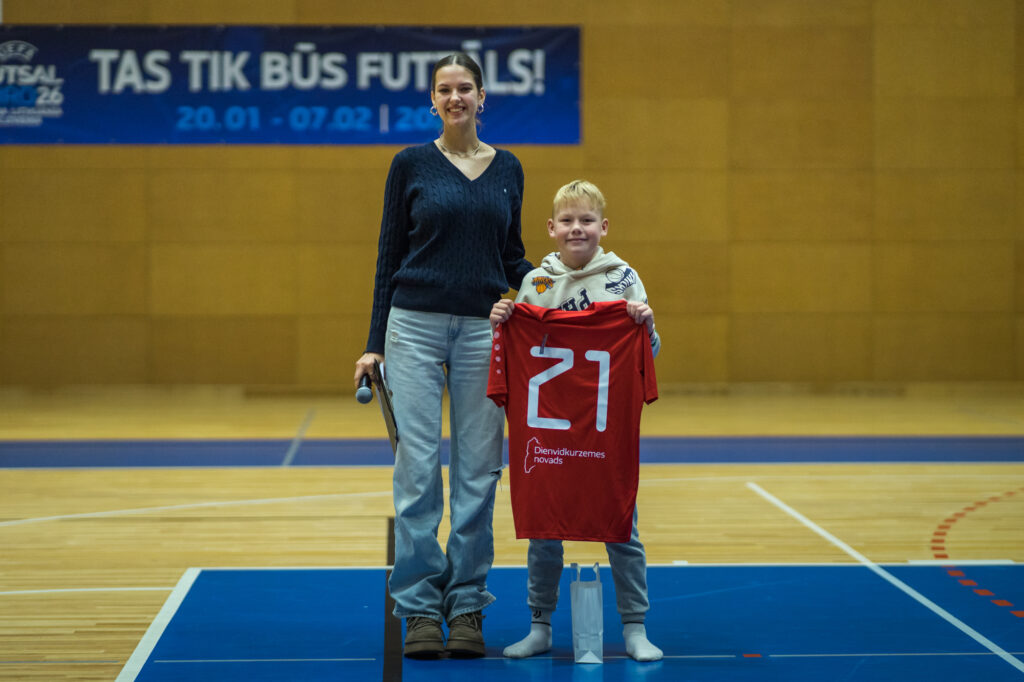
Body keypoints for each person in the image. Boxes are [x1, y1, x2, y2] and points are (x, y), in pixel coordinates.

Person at [354, 52, 533, 659]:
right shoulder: (410, 164)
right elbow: (388, 256)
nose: (455, 97)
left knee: (479, 475)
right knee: (418, 472)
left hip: (486, 330)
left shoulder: (509, 168)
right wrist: (373, 342)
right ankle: (420, 608)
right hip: (413, 328)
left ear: (483, 97)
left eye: (465, 88)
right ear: (432, 101)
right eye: (444, 89)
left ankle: (466, 605)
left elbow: (512, 257)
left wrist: (563, 285)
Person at [489, 179, 663, 662]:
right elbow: (520, 353)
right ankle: (540, 624)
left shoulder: (624, 279)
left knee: (620, 526)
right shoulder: (536, 284)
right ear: (551, 228)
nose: (577, 228)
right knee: (545, 528)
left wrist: (646, 326)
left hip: (603, 430)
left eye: (586, 220)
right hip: (550, 429)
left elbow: (647, 355)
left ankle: (635, 626)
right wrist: (502, 321)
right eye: (567, 221)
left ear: (604, 227)